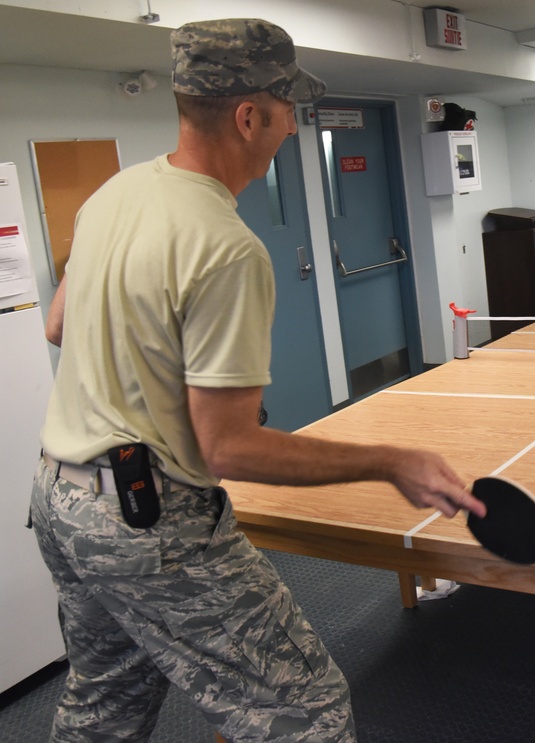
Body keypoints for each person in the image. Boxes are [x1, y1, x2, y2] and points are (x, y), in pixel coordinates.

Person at [31, 18, 485, 743]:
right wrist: (391, 460)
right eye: (287, 113)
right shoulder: (225, 246)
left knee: (103, 702)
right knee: (303, 712)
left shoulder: (113, 196)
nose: (293, 131)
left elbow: (58, 325)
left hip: (60, 499)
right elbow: (229, 450)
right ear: (248, 116)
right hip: (148, 522)